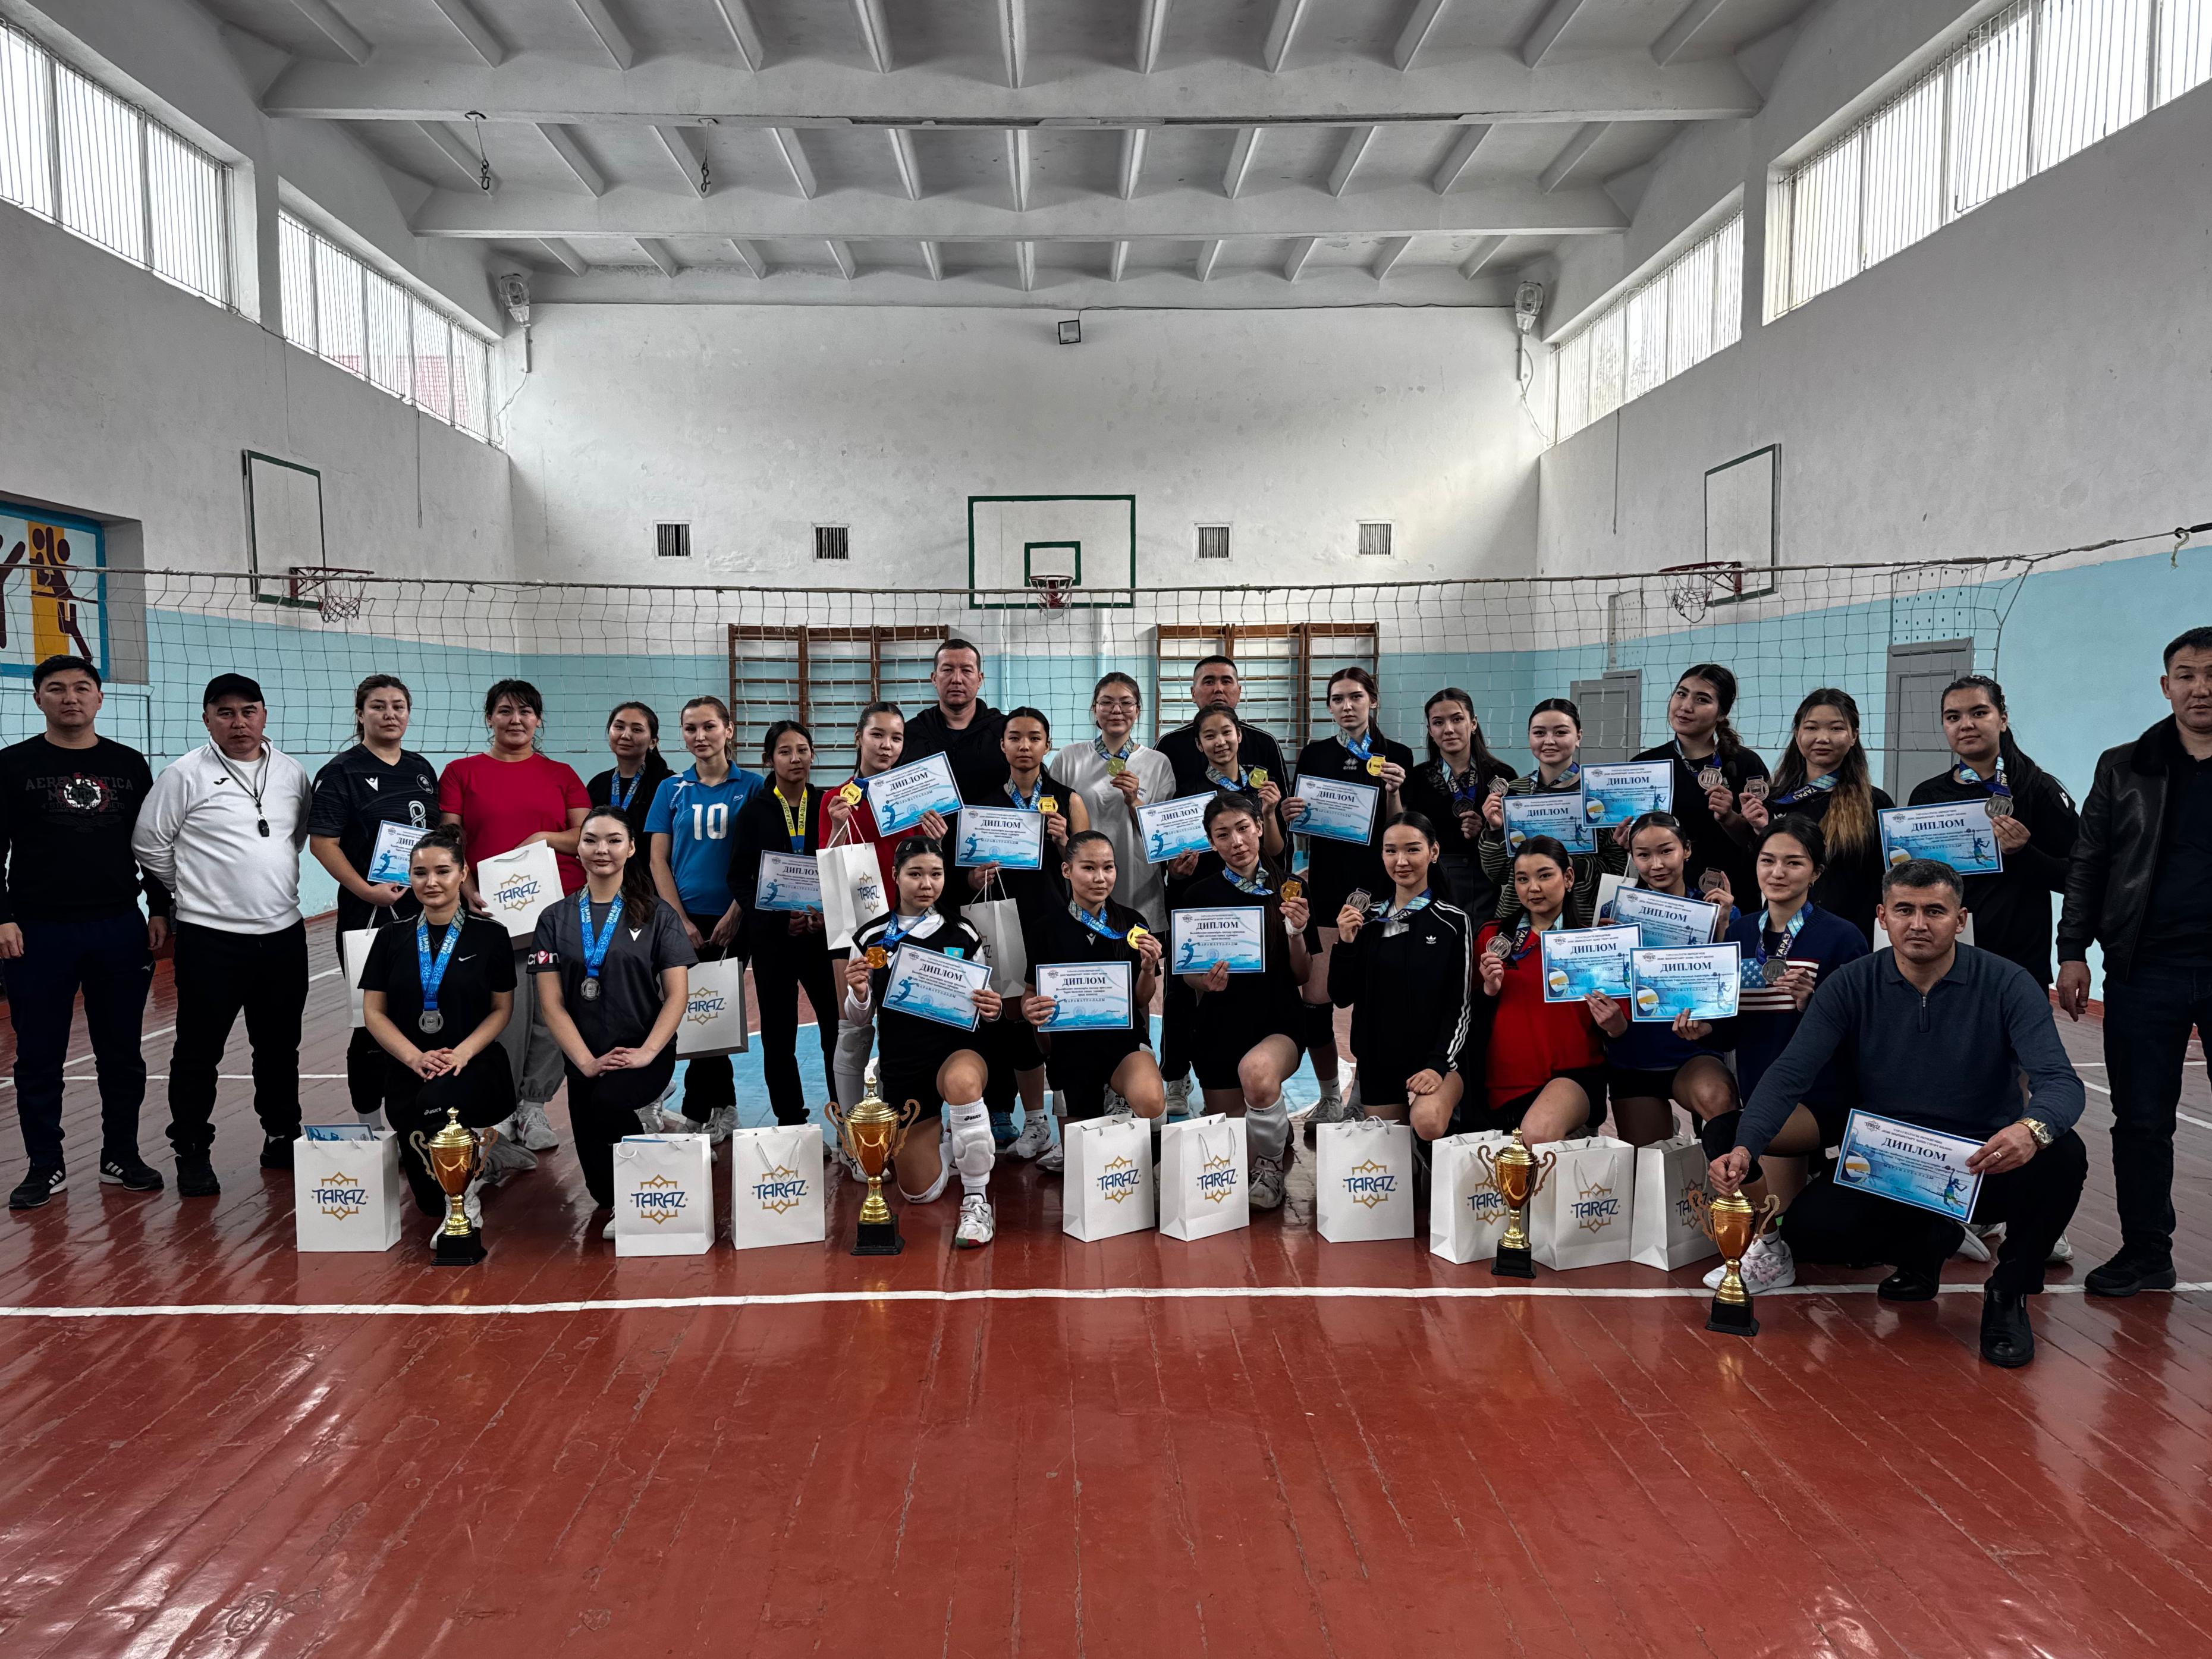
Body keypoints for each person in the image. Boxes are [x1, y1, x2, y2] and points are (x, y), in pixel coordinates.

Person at [1711, 860, 2087, 1368]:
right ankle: (1925, 1248)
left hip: (1981, 1163)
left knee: (2062, 1153)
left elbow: (2060, 1081)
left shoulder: (2007, 983)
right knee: (1811, 1231)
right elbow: (1790, 1075)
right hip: (1888, 1166)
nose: (1918, 924)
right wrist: (1746, 1146)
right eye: (1905, 910)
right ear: (1882, 916)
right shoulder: (1851, 985)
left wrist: (2029, 1129)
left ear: (1960, 920)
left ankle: (2008, 1292)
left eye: (1935, 911)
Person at [2057, 626, 2212, 1298]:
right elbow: (2089, 863)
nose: (2202, 688)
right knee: (2143, 1120)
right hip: (2144, 969)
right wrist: (2072, 951)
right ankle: (2147, 1251)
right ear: (2166, 686)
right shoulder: (2124, 767)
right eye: (2188, 675)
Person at [131, 673, 314, 1198]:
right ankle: (192, 1151)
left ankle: (281, 1136)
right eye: (226, 713)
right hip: (210, 939)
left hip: (282, 934)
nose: (239, 723)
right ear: (207, 719)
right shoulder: (184, 775)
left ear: (264, 715)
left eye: (248, 711)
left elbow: (295, 838)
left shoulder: (292, 773)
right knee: (198, 1051)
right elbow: (149, 842)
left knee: (279, 1047)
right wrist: (190, 888)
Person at [0, 653, 169, 1209]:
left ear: (99, 697)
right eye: (56, 689)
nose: (70, 698)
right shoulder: (11, 765)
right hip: (38, 932)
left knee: (121, 1052)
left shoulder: (129, 765)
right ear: (38, 699)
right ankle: (44, 1165)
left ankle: (121, 1155)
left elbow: (152, 844)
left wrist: (160, 908)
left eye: (80, 688)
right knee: (38, 1056)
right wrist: (2, 916)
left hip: (117, 927)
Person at [438, 679, 590, 1165]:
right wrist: (463, 885)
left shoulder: (561, 774)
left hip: (554, 910)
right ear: (490, 718)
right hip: (489, 911)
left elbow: (585, 836)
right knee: (502, 1010)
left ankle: (534, 1106)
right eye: (505, 711)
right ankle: (500, 1107)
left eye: (526, 711)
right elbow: (450, 839)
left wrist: (543, 837)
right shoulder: (461, 773)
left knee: (552, 1010)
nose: (516, 720)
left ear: (538, 720)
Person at [531, 806, 697, 1238]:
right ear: (578, 849)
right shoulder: (554, 918)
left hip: (641, 1051)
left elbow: (677, 996)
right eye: (590, 840)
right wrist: (586, 1062)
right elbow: (552, 1005)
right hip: (584, 1058)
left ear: (631, 848)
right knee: (601, 1192)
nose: (601, 849)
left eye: (613, 840)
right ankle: (630, 1174)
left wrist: (647, 1053)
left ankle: (646, 1189)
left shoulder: (657, 915)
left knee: (610, 1104)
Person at [843, 838, 1003, 1248]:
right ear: (895, 876)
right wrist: (859, 992)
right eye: (915, 874)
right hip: (903, 1063)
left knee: (963, 1084)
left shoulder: (963, 932)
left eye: (936, 874)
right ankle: (950, 1145)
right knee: (920, 1192)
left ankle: (977, 1200)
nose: (927, 884)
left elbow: (985, 1007)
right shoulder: (871, 937)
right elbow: (859, 1018)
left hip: (958, 1052)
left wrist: (992, 1008)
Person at [358, 827, 516, 1222]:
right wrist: (414, 1058)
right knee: (429, 1203)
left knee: (438, 1105)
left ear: (463, 874)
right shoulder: (390, 937)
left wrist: (462, 1053)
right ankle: (484, 1163)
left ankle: (467, 1193)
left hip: (472, 1064)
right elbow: (374, 1012)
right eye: (420, 873)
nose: (431, 882)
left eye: (443, 871)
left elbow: (501, 1010)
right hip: (411, 1067)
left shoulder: (491, 935)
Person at [307, 674, 440, 1130]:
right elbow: (323, 843)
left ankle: (420, 1117)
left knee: (426, 1015)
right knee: (370, 1021)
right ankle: (369, 1125)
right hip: (368, 915)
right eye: (379, 706)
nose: (390, 714)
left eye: (398, 706)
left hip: (423, 914)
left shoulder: (420, 768)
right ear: (360, 713)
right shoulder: (341, 772)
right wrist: (366, 890)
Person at [1284, 665, 1415, 1121]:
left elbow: (1402, 828)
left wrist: (1394, 792)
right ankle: (1330, 1095)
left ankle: (1363, 1090)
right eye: (1337, 699)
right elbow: (1300, 824)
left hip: (1382, 892)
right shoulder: (1315, 754)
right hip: (1327, 888)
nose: (1347, 706)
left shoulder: (1397, 755)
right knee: (1315, 1001)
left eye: (1355, 697)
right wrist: (1289, 813)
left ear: (1372, 700)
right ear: (1329, 707)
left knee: (1376, 1002)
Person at [1175, 793, 1313, 1209]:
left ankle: (1271, 1165)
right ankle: (1272, 1125)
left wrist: (1296, 933)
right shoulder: (1197, 895)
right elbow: (1188, 974)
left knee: (1257, 1075)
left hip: (1277, 1021)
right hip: (1219, 1026)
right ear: (1211, 842)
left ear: (1259, 827)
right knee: (1230, 1149)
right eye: (1223, 835)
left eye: (1243, 829)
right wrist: (1205, 981)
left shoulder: (1291, 889)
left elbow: (1302, 975)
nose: (1236, 842)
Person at [958, 706, 1081, 1159]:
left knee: (1060, 1021)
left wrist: (1064, 842)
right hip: (1007, 921)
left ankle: (1072, 1120)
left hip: (1057, 920)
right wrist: (975, 878)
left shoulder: (1068, 800)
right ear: (1003, 745)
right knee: (1016, 1020)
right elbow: (967, 873)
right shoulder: (984, 803)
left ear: (1048, 744)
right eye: (1015, 737)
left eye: (1034, 738)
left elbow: (1089, 867)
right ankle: (1035, 1121)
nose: (1024, 746)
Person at [1155, 705, 1285, 1123]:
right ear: (1198, 745)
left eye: (1226, 732)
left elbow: (1276, 850)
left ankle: (1263, 1070)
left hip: (1252, 898)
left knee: (1258, 982)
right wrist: (1178, 872)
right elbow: (1171, 858)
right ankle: (1177, 1076)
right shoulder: (1189, 791)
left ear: (1239, 735)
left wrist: (1269, 812)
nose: (1220, 742)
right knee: (1185, 989)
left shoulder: (1261, 785)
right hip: (1201, 903)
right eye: (1209, 736)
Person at [819, 702, 950, 1115]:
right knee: (852, 1028)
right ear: (859, 737)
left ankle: (914, 1120)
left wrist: (937, 841)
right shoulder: (834, 800)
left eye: (896, 738)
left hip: (909, 923)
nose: (886, 745)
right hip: (855, 922)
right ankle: (852, 1131)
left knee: (910, 1024)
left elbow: (928, 866)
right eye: (877, 735)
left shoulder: (916, 800)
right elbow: (829, 867)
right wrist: (837, 827)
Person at [1908, 674, 2079, 984]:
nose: (1966, 725)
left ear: (2002, 720)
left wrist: (2023, 853)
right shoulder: (1927, 796)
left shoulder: (2037, 788)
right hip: (1945, 957)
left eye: (1979, 712)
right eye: (1953, 717)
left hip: (2019, 962)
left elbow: (2078, 877)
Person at [644, 695, 758, 1140]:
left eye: (709, 726)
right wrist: (679, 920)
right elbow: (658, 860)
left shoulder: (752, 786)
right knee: (698, 1015)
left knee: (712, 1013)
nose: (700, 736)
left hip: (734, 919)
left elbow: (758, 859)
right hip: (683, 920)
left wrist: (735, 912)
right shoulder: (671, 789)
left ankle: (702, 1110)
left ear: (728, 730)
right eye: (691, 728)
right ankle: (720, 1107)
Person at [1591, 812, 1736, 1148]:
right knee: (1650, 1163)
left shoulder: (1716, 911)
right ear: (1632, 857)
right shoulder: (1614, 912)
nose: (1656, 865)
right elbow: (1600, 986)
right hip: (1634, 1056)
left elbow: (1730, 991)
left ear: (1687, 850)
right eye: (1643, 855)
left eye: (1666, 851)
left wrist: (1723, 928)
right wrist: (1604, 948)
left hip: (1693, 1052)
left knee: (1719, 1101)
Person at [1327, 812, 1472, 1138]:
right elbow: (1341, 995)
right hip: (1379, 1061)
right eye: (1391, 851)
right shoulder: (1366, 920)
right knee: (1392, 1154)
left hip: (1434, 1059)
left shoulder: (1452, 922)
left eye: (1412, 849)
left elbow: (1460, 1005)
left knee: (1428, 1123)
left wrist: (1438, 1065)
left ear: (1434, 852)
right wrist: (1346, 943)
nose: (1401, 861)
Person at [1019, 830, 1168, 1132]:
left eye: (1108, 867)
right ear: (1067, 870)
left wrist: (1148, 968)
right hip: (1069, 1048)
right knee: (1080, 1150)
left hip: (1123, 1042)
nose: (1100, 878)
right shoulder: (1045, 929)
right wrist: (1028, 1009)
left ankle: (1131, 1110)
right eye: (1088, 868)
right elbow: (1031, 991)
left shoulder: (1132, 923)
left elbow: (1142, 999)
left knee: (1151, 1101)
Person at [1463, 838, 1608, 1146]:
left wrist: (1614, 1023)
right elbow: (1467, 1016)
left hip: (1573, 1079)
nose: (1534, 888)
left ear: (1568, 878)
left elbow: (1618, 1025)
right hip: (1502, 1086)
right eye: (1523, 879)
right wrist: (1489, 990)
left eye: (1545, 876)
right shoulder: (1492, 937)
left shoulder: (1594, 942)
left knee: (1538, 1134)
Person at [730, 720, 837, 1133]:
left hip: (823, 938)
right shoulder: (754, 812)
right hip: (774, 941)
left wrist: (828, 913)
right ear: (769, 759)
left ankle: (845, 1117)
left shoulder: (827, 805)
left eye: (803, 750)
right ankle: (791, 1123)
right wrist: (777, 917)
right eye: (785, 751)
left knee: (836, 1029)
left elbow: (845, 865)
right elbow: (739, 878)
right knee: (779, 1036)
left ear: (813, 755)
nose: (795, 759)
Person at [1739, 688, 1892, 943]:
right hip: (1780, 935)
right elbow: (1759, 872)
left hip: (1848, 937)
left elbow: (1887, 879)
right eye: (1811, 728)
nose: (1823, 738)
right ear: (1797, 734)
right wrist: (1759, 831)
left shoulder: (1875, 803)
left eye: (1836, 728)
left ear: (1854, 736)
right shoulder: (1772, 801)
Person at [1475, 698, 1625, 925]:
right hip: (1520, 920)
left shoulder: (1599, 794)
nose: (1549, 741)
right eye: (1539, 733)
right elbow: (1499, 873)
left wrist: (1570, 865)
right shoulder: (1513, 794)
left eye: (1561, 732)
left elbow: (1616, 871)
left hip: (1581, 919)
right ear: (1529, 737)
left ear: (1578, 737)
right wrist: (1495, 831)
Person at [1050, 673, 1179, 931]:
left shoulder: (1158, 763)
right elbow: (1054, 821)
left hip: (1139, 889)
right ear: (1094, 709)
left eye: (1126, 703)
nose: (1116, 710)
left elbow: (1164, 837)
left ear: (1138, 710)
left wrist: (1134, 801)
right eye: (1107, 702)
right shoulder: (1069, 758)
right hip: (1081, 890)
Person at [1630, 664, 1768, 899]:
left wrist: (1729, 818)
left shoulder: (1746, 764)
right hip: (1661, 897)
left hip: (1731, 894)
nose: (1686, 706)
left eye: (1702, 700)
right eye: (1681, 694)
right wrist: (1629, 839)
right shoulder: (1644, 765)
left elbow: (1763, 840)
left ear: (1722, 713)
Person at [1399, 687, 1515, 920]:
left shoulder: (1503, 776)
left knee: (1480, 942)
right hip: (1431, 879)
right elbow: (1404, 834)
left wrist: (1489, 830)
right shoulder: (1416, 779)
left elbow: (1517, 839)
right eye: (1438, 722)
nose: (1449, 729)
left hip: (1485, 882)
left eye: (1457, 719)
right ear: (1430, 731)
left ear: (1473, 724)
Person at [1156, 655, 1289, 799]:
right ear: (1193, 693)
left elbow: (1282, 804)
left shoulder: (1265, 743)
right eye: (1209, 682)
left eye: (1226, 681)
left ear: (1239, 692)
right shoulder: (1168, 745)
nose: (1218, 689)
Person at [900, 639, 1010, 807]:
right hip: (926, 826)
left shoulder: (1005, 731)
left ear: (980, 679)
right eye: (948, 670)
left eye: (966, 670)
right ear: (934, 678)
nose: (957, 679)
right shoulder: (910, 733)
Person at [586, 702, 673, 845]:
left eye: (637, 730)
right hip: (604, 858)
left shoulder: (668, 784)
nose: (625, 735)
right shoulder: (597, 784)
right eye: (619, 727)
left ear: (653, 742)